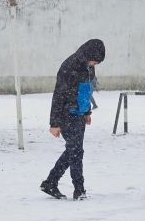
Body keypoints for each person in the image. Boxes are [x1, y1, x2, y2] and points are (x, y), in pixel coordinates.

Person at [40, 39, 106, 201]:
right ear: (88, 54)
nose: (95, 64)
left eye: (98, 62)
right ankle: (79, 190)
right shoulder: (69, 67)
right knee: (76, 151)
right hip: (67, 114)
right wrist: (54, 123)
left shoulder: (89, 67)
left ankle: (50, 182)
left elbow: (87, 90)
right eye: (94, 60)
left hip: (79, 115)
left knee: (73, 151)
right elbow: (58, 95)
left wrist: (87, 111)